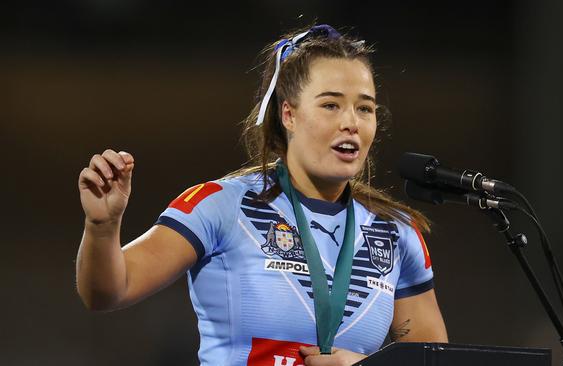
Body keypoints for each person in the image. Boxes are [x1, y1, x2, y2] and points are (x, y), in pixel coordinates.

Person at [76, 24, 448, 366]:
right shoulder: (221, 206)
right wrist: (103, 227)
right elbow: (109, 291)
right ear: (288, 114)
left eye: (364, 108)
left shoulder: (396, 233)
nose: (351, 121)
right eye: (331, 105)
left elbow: (431, 361)